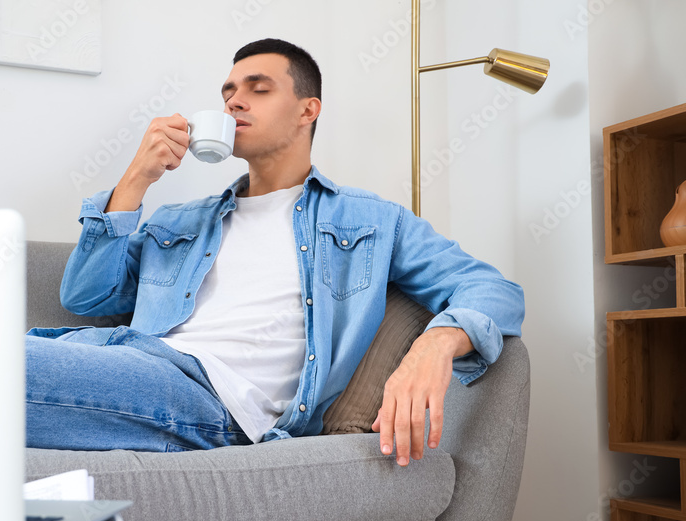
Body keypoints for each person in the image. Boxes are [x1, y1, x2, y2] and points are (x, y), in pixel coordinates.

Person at [26, 38, 524, 466]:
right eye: (228, 92)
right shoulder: (180, 221)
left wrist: (433, 346)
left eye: (257, 89)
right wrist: (137, 178)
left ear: (309, 109)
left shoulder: (371, 222)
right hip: (131, 362)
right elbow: (86, 297)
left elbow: (494, 291)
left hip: (216, 403)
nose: (234, 102)